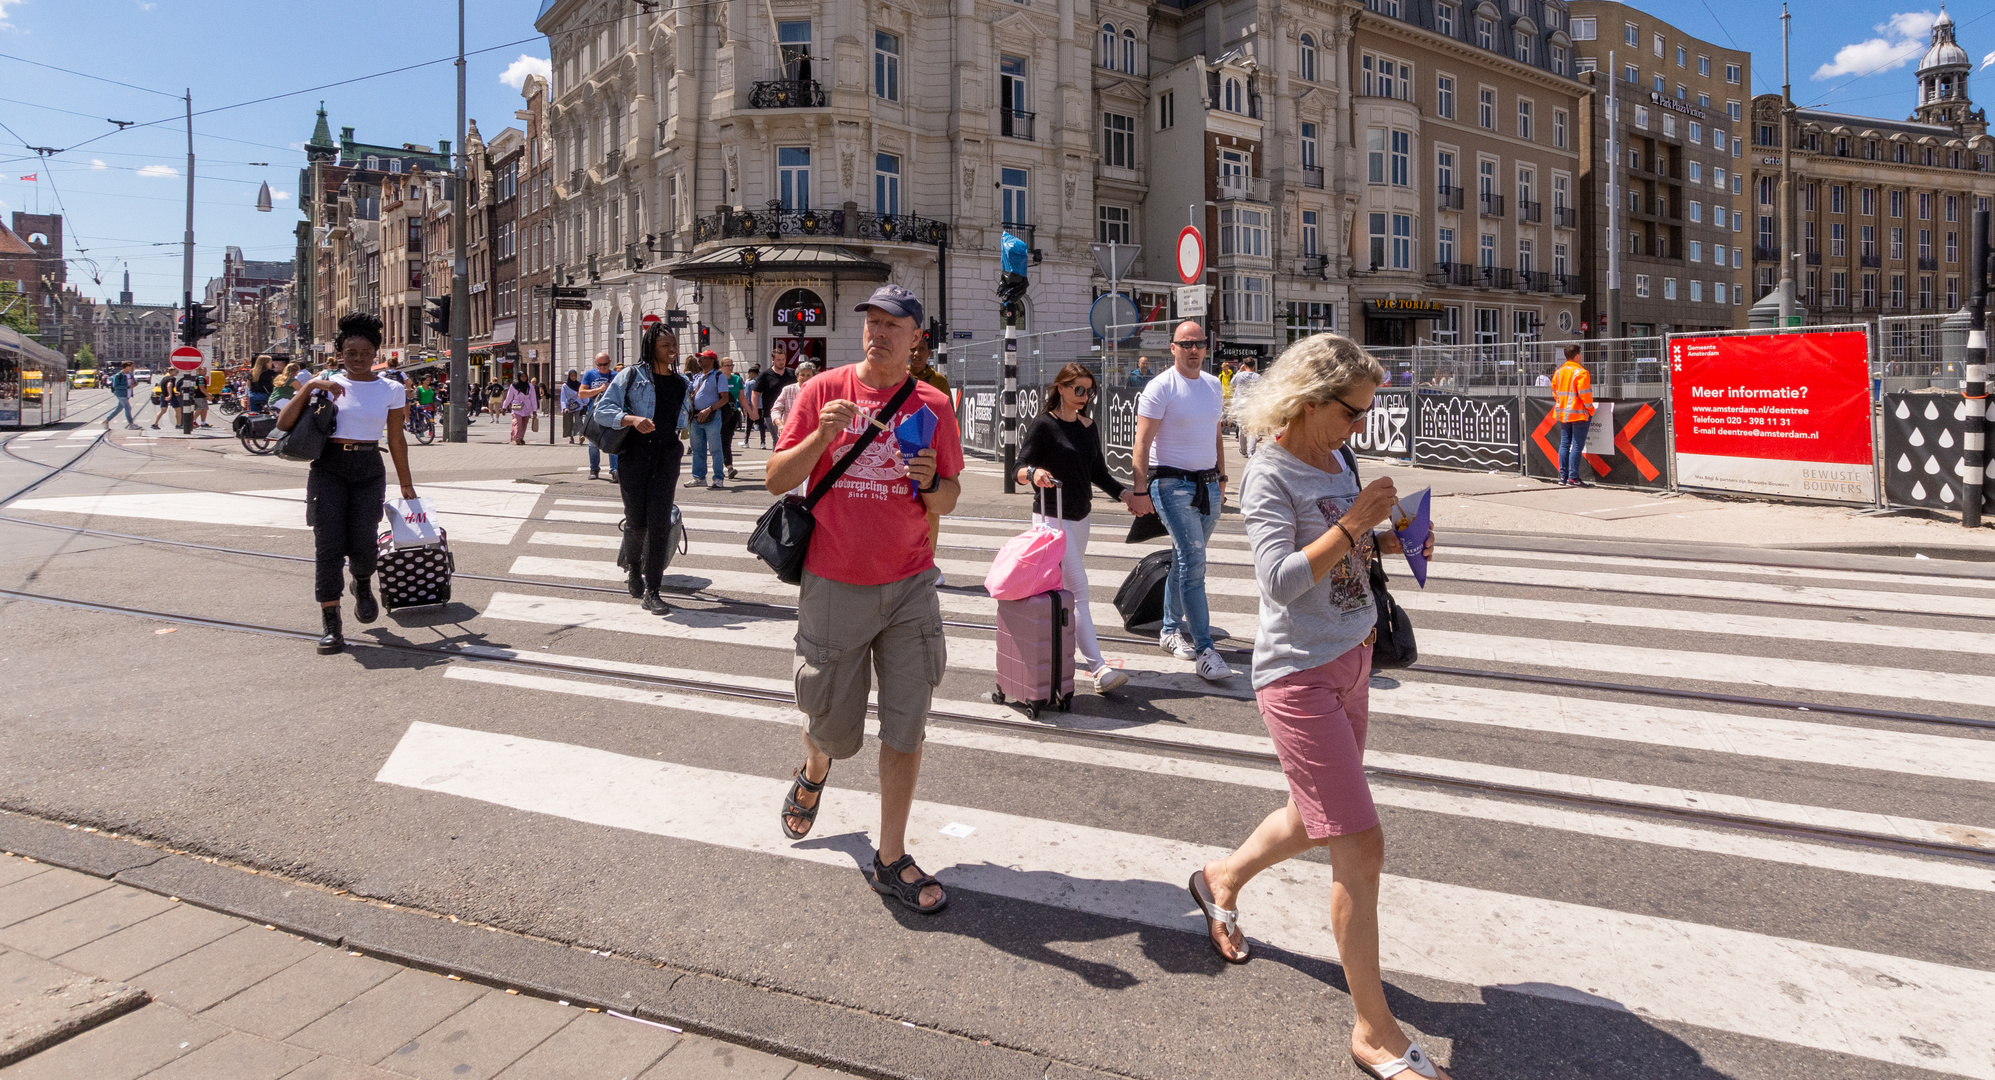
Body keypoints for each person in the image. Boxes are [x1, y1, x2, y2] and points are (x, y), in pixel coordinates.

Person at [1190, 332, 1445, 1080]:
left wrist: (1394, 540)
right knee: (1358, 843)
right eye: (1352, 413)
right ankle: (1371, 1029)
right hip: (1296, 675)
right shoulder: (1268, 473)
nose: (1359, 428)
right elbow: (1277, 581)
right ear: (1307, 401)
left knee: (1313, 815)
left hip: (1352, 656)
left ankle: (1219, 879)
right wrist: (1353, 523)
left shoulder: (1339, 459)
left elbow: (1346, 556)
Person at [766, 283, 964, 915]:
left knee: (907, 724)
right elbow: (776, 479)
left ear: (915, 339)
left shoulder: (933, 403)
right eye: (871, 321)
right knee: (829, 716)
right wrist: (820, 438)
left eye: (891, 324)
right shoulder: (823, 391)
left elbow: (948, 500)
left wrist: (933, 484)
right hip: (834, 580)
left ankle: (890, 856)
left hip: (909, 584)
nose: (877, 333)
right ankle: (816, 770)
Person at [276, 312, 417, 656]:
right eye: (350, 353)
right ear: (340, 353)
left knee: (365, 544)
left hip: (369, 466)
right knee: (328, 546)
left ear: (375, 354)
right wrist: (310, 387)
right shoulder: (325, 381)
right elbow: (283, 423)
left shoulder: (391, 389)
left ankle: (363, 583)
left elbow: (396, 439)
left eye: (365, 353)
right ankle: (331, 624)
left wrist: (406, 484)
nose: (357, 359)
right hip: (329, 467)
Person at [1016, 363, 1138, 693]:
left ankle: (1057, 649)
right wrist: (1033, 473)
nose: (1084, 396)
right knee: (1080, 590)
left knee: (1065, 591)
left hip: (1081, 517)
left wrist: (1125, 494)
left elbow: (1097, 471)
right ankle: (1099, 669)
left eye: (1089, 390)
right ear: (1061, 388)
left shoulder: (1088, 426)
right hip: (1050, 519)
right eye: (1078, 389)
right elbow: (1018, 466)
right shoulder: (1044, 425)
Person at [1128, 321, 1230, 682]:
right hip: (1170, 484)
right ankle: (1205, 648)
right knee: (1194, 562)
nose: (1193, 349)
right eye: (1185, 344)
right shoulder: (1160, 387)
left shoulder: (1213, 384)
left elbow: (1215, 432)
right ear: (1172, 348)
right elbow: (1141, 442)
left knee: (1185, 561)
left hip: (1207, 484)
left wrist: (1221, 474)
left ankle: (1169, 629)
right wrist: (1140, 489)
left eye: (1199, 343)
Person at [595, 323, 690, 613]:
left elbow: (681, 420)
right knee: (637, 523)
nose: (672, 351)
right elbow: (602, 410)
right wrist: (632, 419)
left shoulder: (681, 382)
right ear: (651, 347)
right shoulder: (631, 375)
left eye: (674, 345)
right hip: (635, 455)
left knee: (660, 523)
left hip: (667, 455)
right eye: (665, 346)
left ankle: (654, 590)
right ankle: (634, 567)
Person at [1550, 343, 1595, 487]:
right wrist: (1590, 409)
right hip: (1578, 413)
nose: (1581, 357)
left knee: (1564, 444)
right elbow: (1585, 394)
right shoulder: (1581, 372)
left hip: (1563, 413)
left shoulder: (1558, 372)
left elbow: (1555, 391)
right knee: (1576, 445)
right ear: (1576, 356)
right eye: (1580, 354)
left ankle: (1563, 477)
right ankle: (1573, 477)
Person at [686, 349, 729, 488]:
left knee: (715, 449)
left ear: (712, 360)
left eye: (703, 358)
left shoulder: (718, 376)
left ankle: (718, 478)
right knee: (697, 449)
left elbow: (724, 399)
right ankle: (699, 477)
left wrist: (709, 409)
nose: (700, 360)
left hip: (712, 416)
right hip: (696, 416)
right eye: (699, 358)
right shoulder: (697, 377)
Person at [579, 353, 619, 480]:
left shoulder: (616, 376)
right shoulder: (590, 375)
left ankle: (615, 470)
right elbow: (581, 394)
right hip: (594, 413)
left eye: (605, 364)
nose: (602, 367)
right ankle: (594, 469)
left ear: (610, 362)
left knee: (613, 442)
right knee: (593, 443)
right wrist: (600, 389)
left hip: (611, 413)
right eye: (599, 365)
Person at [751, 350, 797, 450]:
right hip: (771, 412)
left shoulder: (792, 373)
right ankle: (777, 463)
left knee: (791, 440)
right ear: (773, 360)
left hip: (790, 412)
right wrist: (754, 410)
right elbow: (755, 392)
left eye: (783, 359)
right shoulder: (765, 375)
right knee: (778, 440)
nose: (781, 362)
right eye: (778, 360)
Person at [719, 356, 745, 478]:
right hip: (719, 414)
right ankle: (728, 467)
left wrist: (749, 410)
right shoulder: (718, 378)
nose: (730, 367)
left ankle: (728, 466)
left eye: (731, 365)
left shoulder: (736, 379)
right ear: (721, 367)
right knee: (723, 440)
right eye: (727, 365)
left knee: (727, 440)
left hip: (733, 413)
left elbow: (742, 397)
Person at [1231, 358, 1262, 458]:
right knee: (1253, 429)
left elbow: (1232, 383)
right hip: (1253, 405)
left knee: (1242, 428)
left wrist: (1240, 370)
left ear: (1244, 365)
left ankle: (1243, 450)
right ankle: (1251, 452)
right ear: (1254, 366)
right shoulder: (1258, 377)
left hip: (1241, 405)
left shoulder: (1239, 376)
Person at [501, 374, 538, 445]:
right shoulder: (513, 386)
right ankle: (517, 437)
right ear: (519, 377)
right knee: (517, 423)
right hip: (517, 407)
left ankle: (521, 438)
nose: (523, 378)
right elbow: (509, 397)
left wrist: (534, 410)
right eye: (522, 377)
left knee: (524, 424)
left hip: (527, 407)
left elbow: (533, 398)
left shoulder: (530, 386)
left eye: (525, 376)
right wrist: (504, 407)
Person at [105, 362, 140, 429]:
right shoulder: (118, 375)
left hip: (128, 394)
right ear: (126, 367)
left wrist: (134, 383)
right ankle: (131, 424)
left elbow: (135, 382)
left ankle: (106, 421)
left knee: (118, 409)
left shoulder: (130, 374)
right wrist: (128, 386)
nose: (132, 368)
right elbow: (115, 386)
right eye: (131, 367)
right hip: (121, 394)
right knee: (128, 408)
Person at [560, 370, 584, 443]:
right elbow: (563, 397)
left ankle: (581, 435)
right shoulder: (565, 386)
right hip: (569, 405)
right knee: (569, 421)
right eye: (572, 376)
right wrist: (564, 408)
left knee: (579, 420)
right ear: (569, 376)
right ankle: (571, 437)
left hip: (578, 404)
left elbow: (583, 394)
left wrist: (585, 404)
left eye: (575, 375)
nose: (573, 377)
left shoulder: (579, 385)